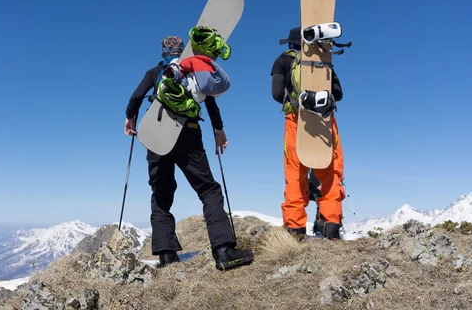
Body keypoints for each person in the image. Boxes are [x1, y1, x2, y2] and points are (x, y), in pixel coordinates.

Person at [124, 35, 254, 269]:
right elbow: (211, 101)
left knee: (161, 194)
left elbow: (135, 97)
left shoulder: (155, 73)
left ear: (163, 51)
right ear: (182, 50)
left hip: (156, 134)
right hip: (189, 133)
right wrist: (219, 129)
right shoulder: (192, 71)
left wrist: (130, 119)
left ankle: (166, 255)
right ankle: (223, 251)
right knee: (208, 189)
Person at [270, 27, 346, 240]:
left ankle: (295, 229)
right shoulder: (323, 59)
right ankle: (330, 226)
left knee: (295, 174)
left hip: (296, 121)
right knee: (330, 173)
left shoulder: (283, 60)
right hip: (325, 122)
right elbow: (338, 94)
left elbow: (276, 93)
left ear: (291, 43)